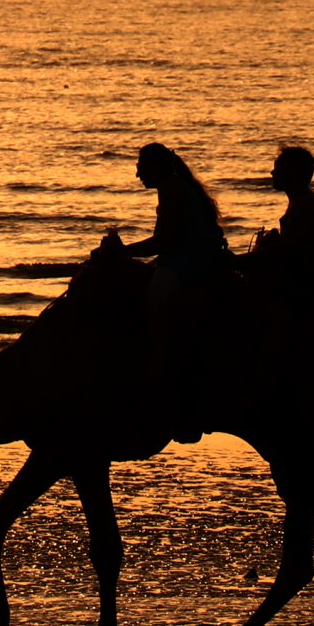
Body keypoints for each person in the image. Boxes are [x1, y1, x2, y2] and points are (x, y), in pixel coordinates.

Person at [108, 143, 231, 441]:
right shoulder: (176, 187)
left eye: (141, 166)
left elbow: (164, 242)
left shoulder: (172, 190)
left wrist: (122, 252)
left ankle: (159, 370)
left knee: (154, 304)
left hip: (188, 263)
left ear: (156, 168)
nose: (137, 173)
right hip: (187, 257)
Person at [250, 144, 314, 328]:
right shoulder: (302, 201)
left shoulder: (304, 206)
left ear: (292, 173)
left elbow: (287, 256)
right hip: (305, 291)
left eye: (278, 168)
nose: (272, 172)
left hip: (305, 297)